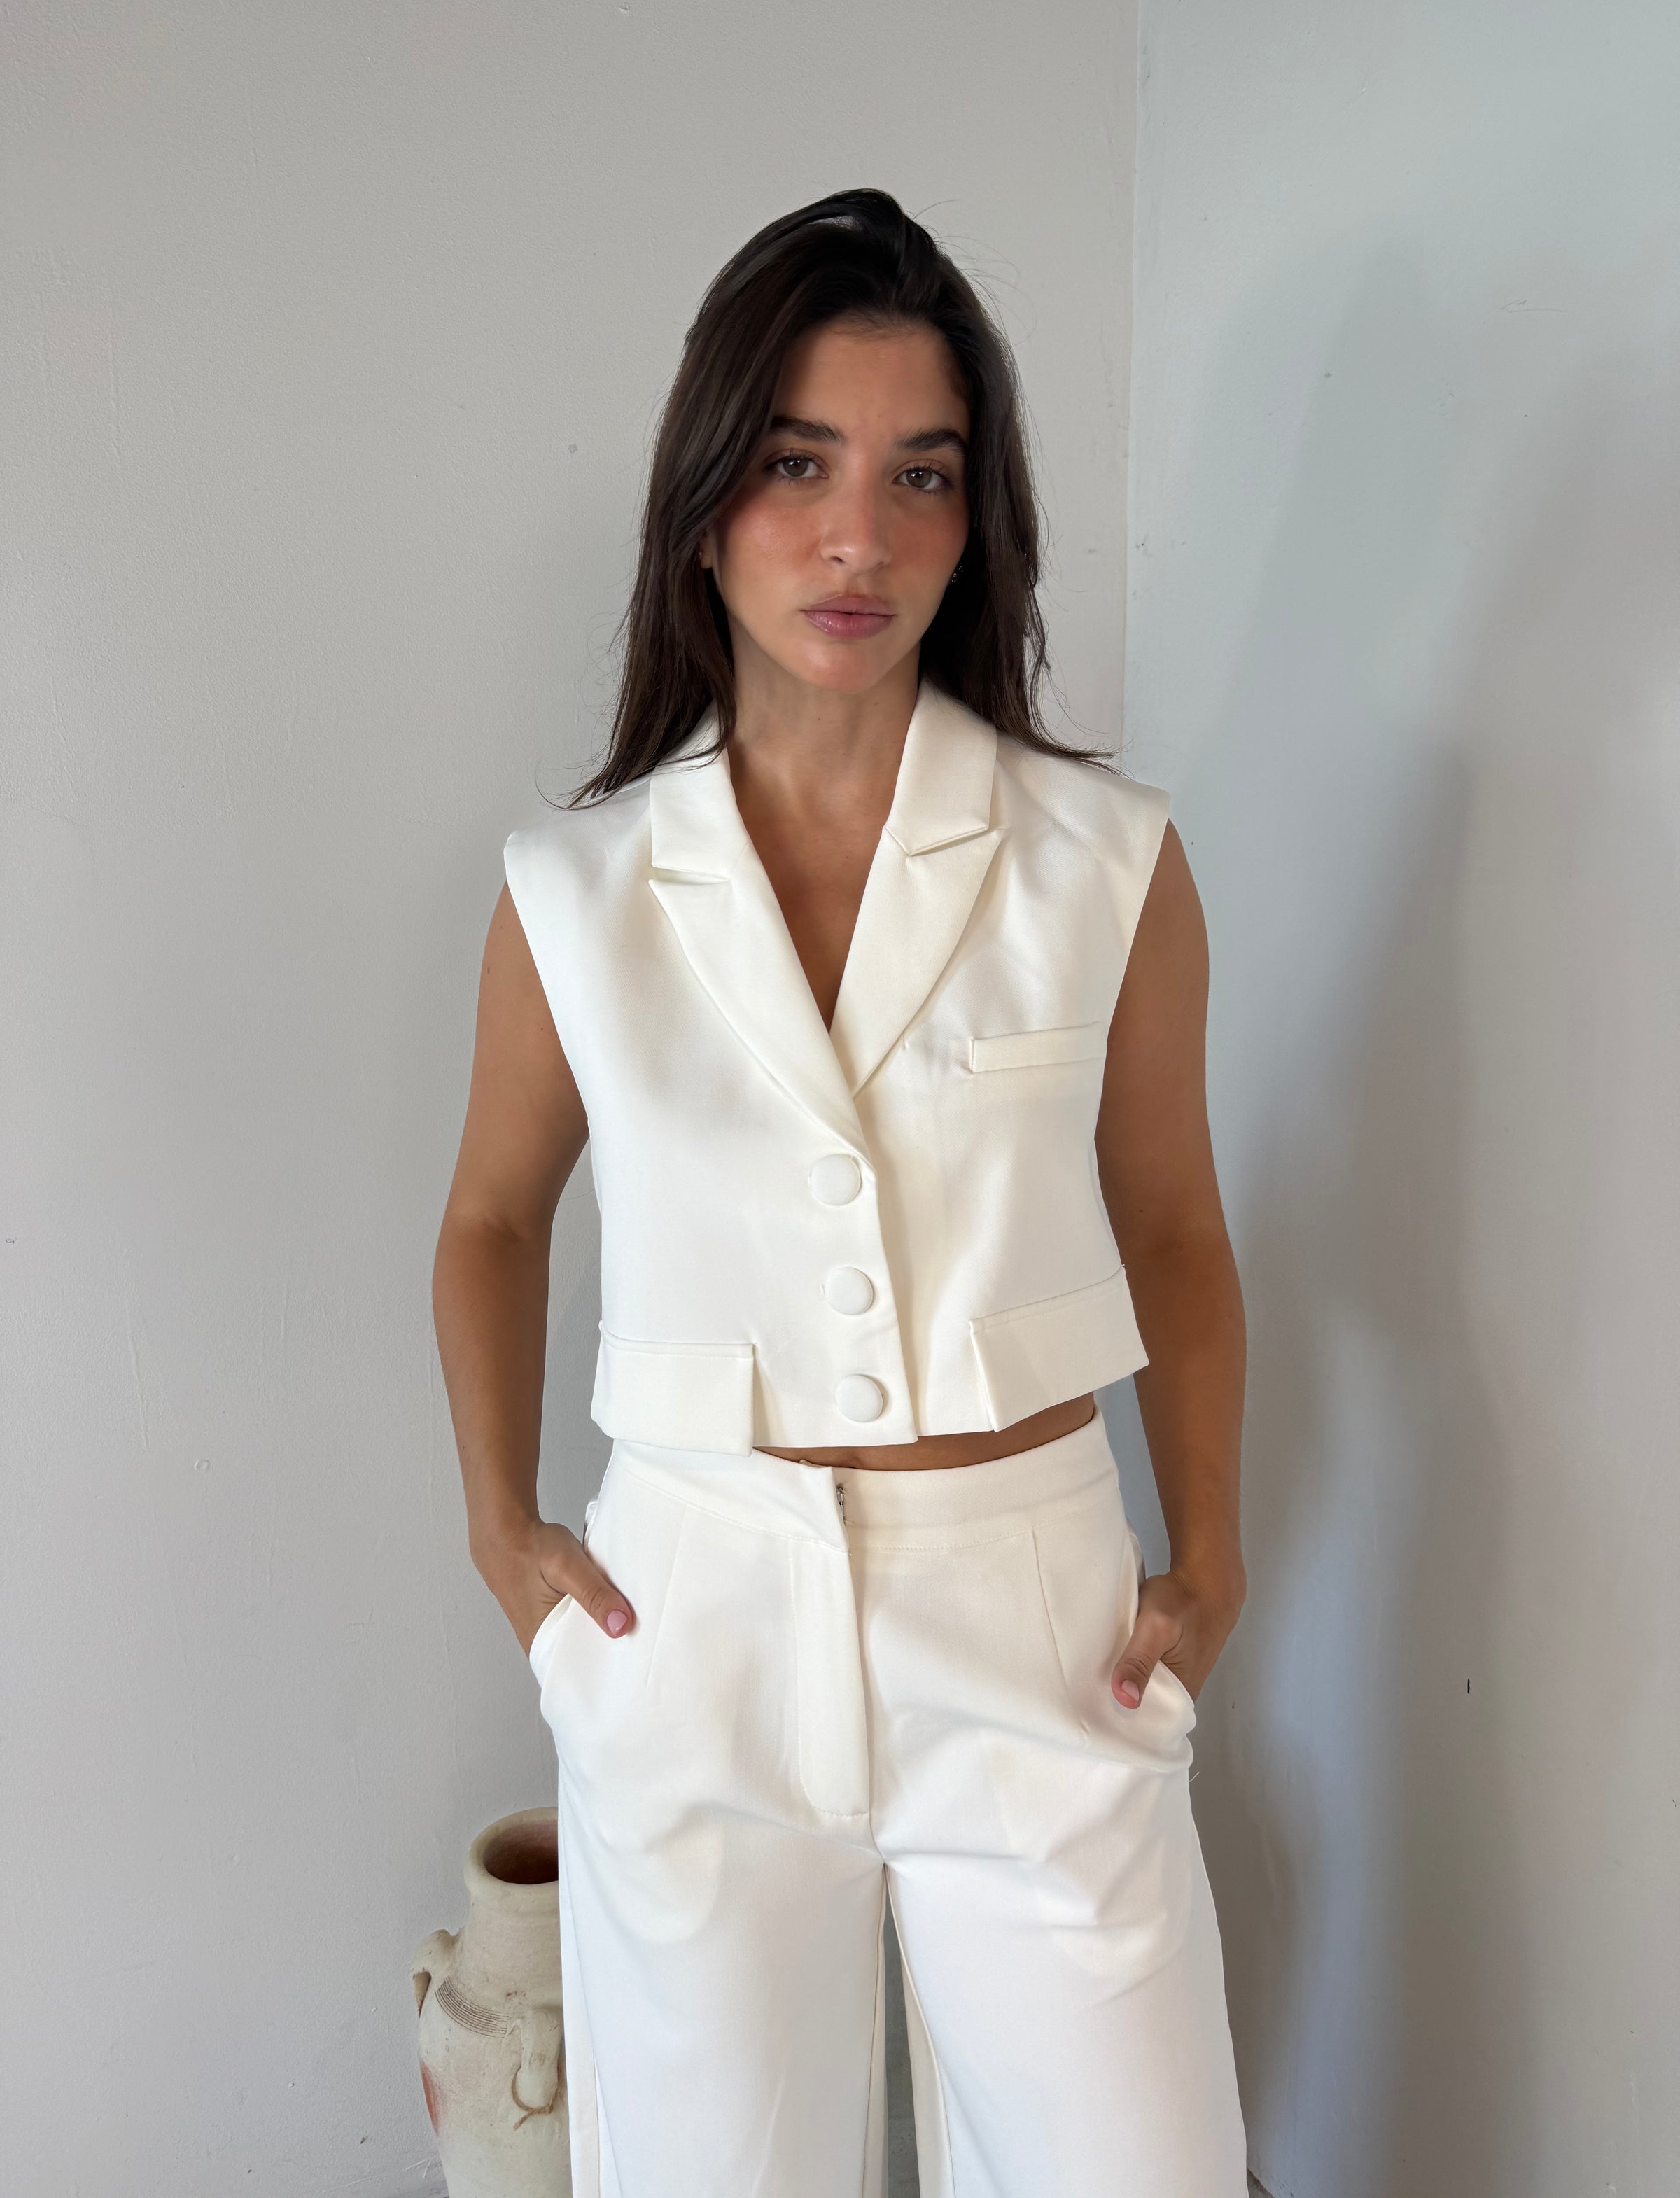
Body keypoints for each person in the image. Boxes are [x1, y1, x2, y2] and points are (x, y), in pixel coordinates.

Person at [433, 188, 1250, 2197]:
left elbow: (1174, 1224)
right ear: (706, 500)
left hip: (1036, 1616)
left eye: (921, 475)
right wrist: (505, 1533)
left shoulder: (1104, 862)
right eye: (799, 465)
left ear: (979, 523)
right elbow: (493, 1218)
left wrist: (1212, 1547)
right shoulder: (578, 892)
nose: (858, 537)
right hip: (692, 1619)